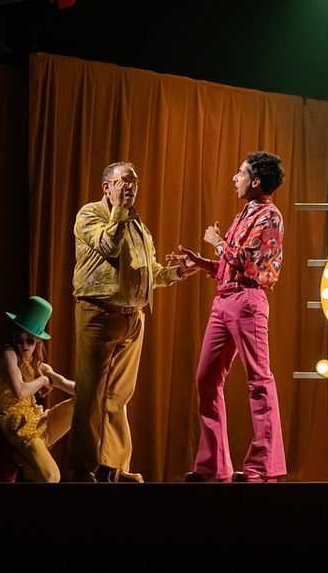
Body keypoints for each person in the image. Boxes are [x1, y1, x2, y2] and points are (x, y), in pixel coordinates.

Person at [70, 161, 195, 483]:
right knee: (91, 394)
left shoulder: (138, 224)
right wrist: (120, 212)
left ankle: (113, 468)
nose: (131, 187)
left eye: (134, 182)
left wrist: (178, 272)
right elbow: (109, 245)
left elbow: (149, 273)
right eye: (124, 181)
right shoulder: (90, 215)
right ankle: (83, 469)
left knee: (118, 397)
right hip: (99, 313)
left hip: (132, 318)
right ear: (106, 186)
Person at [175, 152, 288, 483]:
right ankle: (214, 465)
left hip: (248, 302)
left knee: (259, 380)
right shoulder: (245, 213)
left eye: (240, 173)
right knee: (206, 379)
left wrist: (217, 243)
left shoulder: (270, 216)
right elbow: (232, 266)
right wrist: (204, 263)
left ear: (255, 181)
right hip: (224, 301)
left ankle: (263, 467)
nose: (234, 178)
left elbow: (251, 268)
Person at [0, 296, 76, 482]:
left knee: (83, 402)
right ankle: (24, 459)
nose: (23, 345)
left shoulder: (37, 365)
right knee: (52, 477)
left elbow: (67, 384)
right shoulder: (8, 355)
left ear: (37, 341)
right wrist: (43, 379)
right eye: (18, 338)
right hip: (21, 427)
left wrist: (99, 392)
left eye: (29, 340)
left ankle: (23, 459)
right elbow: (19, 391)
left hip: (38, 420)